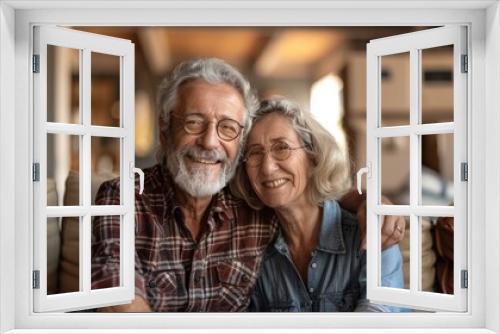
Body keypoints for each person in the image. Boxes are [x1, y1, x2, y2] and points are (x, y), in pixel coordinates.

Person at [91, 58, 405, 312]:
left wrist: (369, 202)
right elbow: (120, 304)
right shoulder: (125, 198)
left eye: (227, 127)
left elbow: (309, 195)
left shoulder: (251, 206)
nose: (209, 141)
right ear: (164, 131)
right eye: (193, 122)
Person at [230, 98, 404, 312]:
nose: (267, 168)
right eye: (255, 152)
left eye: (281, 148)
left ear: (313, 157)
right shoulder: (255, 253)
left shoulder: (370, 231)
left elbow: (381, 320)